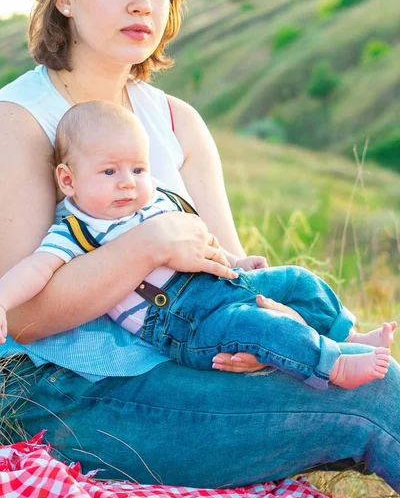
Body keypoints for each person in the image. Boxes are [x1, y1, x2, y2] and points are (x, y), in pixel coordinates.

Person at [0, 0, 399, 491]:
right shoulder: (21, 120)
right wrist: (150, 243)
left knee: (377, 381)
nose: (142, 3)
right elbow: (26, 318)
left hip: (188, 355)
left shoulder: (176, 120)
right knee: (369, 407)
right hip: (71, 393)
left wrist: (258, 332)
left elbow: (230, 267)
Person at [0, 100, 395, 392]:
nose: (128, 182)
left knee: (297, 280)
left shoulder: (155, 201)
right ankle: (331, 366)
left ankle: (346, 334)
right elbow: (35, 269)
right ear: (68, 180)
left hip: (225, 285)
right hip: (182, 325)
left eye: (138, 169)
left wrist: (236, 260)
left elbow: (201, 242)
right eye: (109, 171)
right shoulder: (77, 230)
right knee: (260, 327)